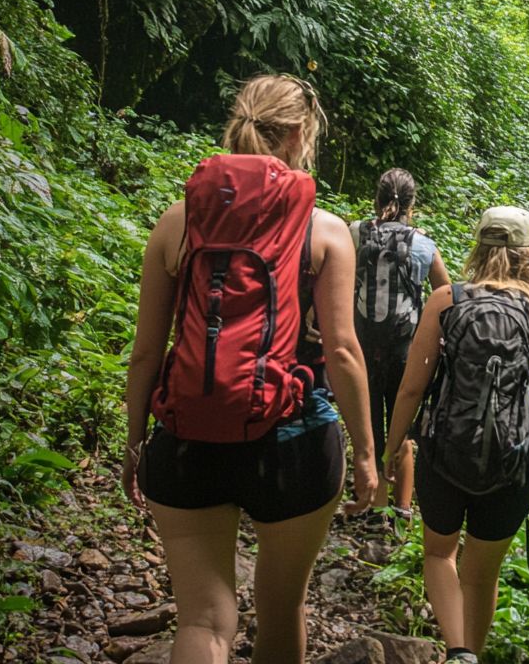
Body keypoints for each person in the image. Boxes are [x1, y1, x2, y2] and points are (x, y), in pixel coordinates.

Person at [123, 74, 378, 664]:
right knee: (282, 608)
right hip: (293, 442)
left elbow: (145, 352)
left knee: (204, 622)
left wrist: (136, 441)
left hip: (186, 441)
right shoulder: (326, 230)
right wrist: (366, 454)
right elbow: (341, 351)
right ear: (297, 134)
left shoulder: (177, 221)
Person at [384, 206, 529, 664]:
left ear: (479, 247)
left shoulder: (447, 300)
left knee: (439, 555)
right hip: (513, 460)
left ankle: (458, 650)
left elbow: (412, 385)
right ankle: (473, 652)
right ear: (528, 255)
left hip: (444, 451)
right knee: (481, 576)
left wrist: (394, 447)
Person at [351, 168, 451, 517]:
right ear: (413, 203)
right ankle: (402, 511)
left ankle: (373, 504)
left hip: (362, 346)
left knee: (369, 426)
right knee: (403, 425)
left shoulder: (356, 233)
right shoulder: (424, 244)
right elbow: (445, 293)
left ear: (376, 199)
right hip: (406, 349)